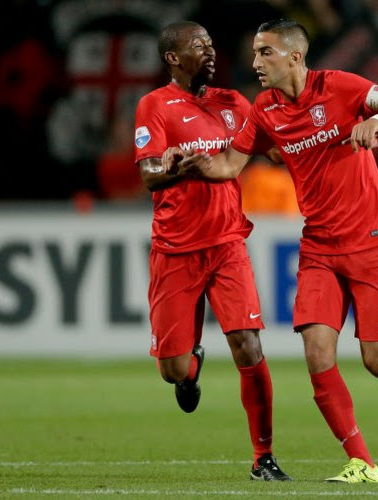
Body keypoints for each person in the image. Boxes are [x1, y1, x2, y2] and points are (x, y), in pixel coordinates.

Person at [165, 19, 378, 484]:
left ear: (294, 56)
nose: (255, 63)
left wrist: (376, 120)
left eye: (265, 52)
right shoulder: (264, 109)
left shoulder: (341, 87)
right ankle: (362, 462)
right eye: (254, 53)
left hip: (368, 241)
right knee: (317, 352)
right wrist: (195, 164)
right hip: (319, 246)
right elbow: (231, 164)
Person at [134, 21, 291, 482]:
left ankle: (264, 458)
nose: (209, 51)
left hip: (227, 244)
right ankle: (191, 365)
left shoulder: (233, 103)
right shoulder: (154, 106)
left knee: (249, 344)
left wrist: (330, 140)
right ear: (173, 58)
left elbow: (277, 152)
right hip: (176, 249)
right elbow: (148, 176)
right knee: (171, 369)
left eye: (210, 44)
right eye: (197, 46)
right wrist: (185, 171)